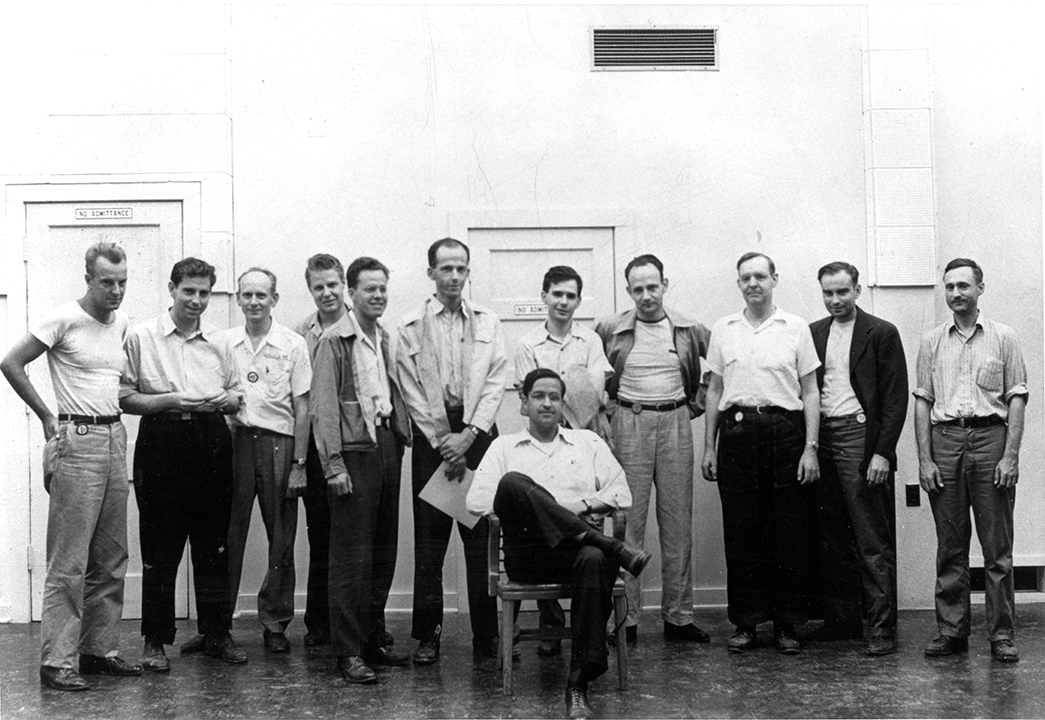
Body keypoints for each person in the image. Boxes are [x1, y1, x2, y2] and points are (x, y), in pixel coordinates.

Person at [467, 368, 650, 720]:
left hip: (579, 555)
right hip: (529, 555)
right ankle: (614, 547)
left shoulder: (588, 442)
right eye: (538, 396)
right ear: (523, 403)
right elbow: (477, 501)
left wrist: (570, 509)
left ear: (562, 404)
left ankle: (578, 685)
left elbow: (620, 492)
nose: (547, 403)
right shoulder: (503, 446)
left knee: (595, 559)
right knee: (512, 482)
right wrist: (545, 508)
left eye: (554, 397)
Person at [2, 243, 142, 691]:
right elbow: (11, 362)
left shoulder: (121, 324)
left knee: (112, 556)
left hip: (115, 438)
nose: (116, 290)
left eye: (122, 281)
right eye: (107, 282)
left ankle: (97, 650)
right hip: (76, 443)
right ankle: (57, 662)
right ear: (88, 279)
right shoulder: (62, 318)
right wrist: (47, 417)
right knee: (69, 561)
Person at [120, 257, 246, 671]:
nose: (196, 300)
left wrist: (229, 400)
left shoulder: (221, 341)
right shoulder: (142, 336)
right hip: (162, 439)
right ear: (172, 289)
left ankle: (215, 633)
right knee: (160, 547)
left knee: (213, 546)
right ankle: (154, 642)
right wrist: (169, 401)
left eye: (204, 293)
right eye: (188, 291)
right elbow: (124, 397)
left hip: (210, 440)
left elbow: (235, 391)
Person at [702, 251, 821, 655]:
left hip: (786, 431)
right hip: (736, 434)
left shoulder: (795, 327)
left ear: (774, 279)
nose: (753, 284)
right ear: (738, 284)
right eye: (745, 278)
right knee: (742, 530)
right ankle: (747, 623)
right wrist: (709, 447)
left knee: (789, 530)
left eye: (760, 277)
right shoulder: (725, 328)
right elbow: (715, 390)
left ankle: (788, 624)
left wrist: (810, 448)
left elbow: (810, 391)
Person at [396, 237, 507, 664]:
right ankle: (429, 636)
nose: (455, 276)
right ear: (431, 274)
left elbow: (497, 380)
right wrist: (445, 441)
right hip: (433, 443)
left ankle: (487, 637)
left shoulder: (488, 321)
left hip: (478, 439)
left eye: (461, 268)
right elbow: (410, 390)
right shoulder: (409, 326)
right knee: (429, 546)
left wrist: (470, 435)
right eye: (446, 269)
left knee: (482, 542)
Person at [914, 258, 1027, 663]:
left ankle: (1000, 635)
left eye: (964, 285)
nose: (956, 293)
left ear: (981, 288)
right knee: (950, 545)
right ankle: (951, 631)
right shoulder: (932, 341)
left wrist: (1010, 455)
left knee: (997, 548)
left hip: (990, 440)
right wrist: (925, 460)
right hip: (944, 441)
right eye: (949, 287)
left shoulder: (1003, 337)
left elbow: (1017, 397)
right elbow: (923, 403)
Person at [595, 254, 711, 644]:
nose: (647, 295)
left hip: (675, 421)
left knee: (678, 525)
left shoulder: (689, 328)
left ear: (665, 284)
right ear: (629, 291)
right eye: (638, 289)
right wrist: (609, 414)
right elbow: (589, 373)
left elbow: (722, 367)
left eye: (653, 286)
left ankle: (678, 618)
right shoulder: (610, 328)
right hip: (629, 423)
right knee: (629, 524)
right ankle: (625, 621)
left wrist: (693, 405)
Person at [311, 256, 413, 684]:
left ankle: (373, 640)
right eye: (369, 289)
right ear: (351, 294)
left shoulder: (385, 336)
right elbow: (323, 408)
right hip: (353, 454)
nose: (377, 296)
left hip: (387, 446)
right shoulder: (335, 340)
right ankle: (348, 652)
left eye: (382, 289)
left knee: (382, 551)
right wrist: (333, 466)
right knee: (351, 557)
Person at [513, 264, 613, 656]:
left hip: (581, 444)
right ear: (544, 297)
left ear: (578, 300)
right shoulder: (526, 344)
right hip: (540, 447)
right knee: (546, 525)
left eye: (571, 295)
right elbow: (530, 400)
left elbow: (593, 396)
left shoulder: (589, 341)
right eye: (557, 294)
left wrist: (570, 420)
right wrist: (558, 407)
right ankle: (551, 624)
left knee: (588, 521)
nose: (564, 302)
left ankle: (592, 624)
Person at [809, 262, 908, 656]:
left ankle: (881, 627)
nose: (835, 300)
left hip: (860, 437)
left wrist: (882, 452)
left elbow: (895, 398)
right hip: (823, 435)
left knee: (871, 538)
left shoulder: (881, 332)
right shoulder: (814, 332)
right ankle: (842, 619)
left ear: (857, 290)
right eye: (828, 293)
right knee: (831, 534)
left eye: (842, 292)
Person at [223, 268, 311, 653]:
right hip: (236, 443)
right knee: (226, 536)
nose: (254, 302)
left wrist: (299, 464)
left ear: (274, 299)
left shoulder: (292, 344)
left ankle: (275, 623)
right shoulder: (224, 343)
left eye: (262, 295)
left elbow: (303, 408)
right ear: (238, 299)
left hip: (280, 445)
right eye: (247, 295)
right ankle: (217, 625)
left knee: (282, 540)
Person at [292, 253, 348, 648]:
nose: (327, 293)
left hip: (355, 446)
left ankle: (362, 626)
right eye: (318, 287)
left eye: (333, 284)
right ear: (310, 289)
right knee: (321, 537)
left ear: (343, 284)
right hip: (315, 447)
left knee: (357, 540)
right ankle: (320, 624)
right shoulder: (302, 333)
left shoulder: (360, 324)